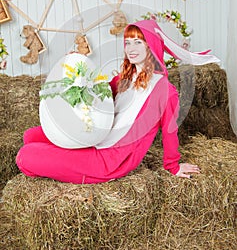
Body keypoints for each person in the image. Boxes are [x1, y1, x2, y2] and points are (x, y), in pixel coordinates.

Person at [16, 19, 220, 183]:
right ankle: (57, 160)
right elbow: (97, 95)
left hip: (108, 160)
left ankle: (55, 163)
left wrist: (173, 166)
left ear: (151, 46)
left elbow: (170, 131)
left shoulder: (165, 90)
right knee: (31, 135)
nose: (131, 48)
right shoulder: (123, 79)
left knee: (25, 156)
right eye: (127, 42)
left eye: (138, 42)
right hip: (96, 137)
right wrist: (77, 65)